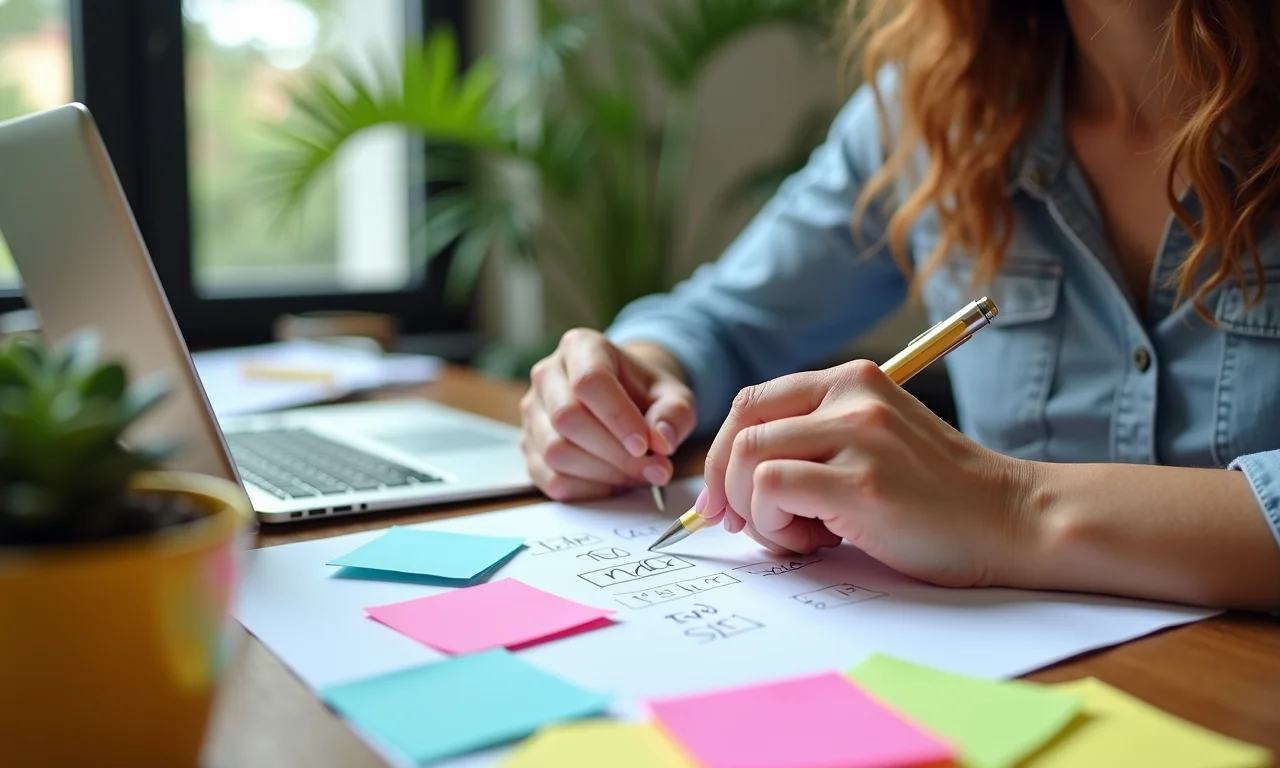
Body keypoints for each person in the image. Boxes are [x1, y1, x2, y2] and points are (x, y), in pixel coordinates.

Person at [517, 0, 1280, 610]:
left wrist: (1012, 509)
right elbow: (723, 319)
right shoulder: (937, 106)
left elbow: (1008, 511)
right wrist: (634, 375)